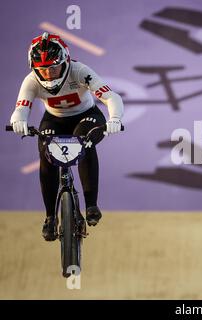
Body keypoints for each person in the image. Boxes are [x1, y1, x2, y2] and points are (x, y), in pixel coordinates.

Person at [9, 32, 124, 241]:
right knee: (46, 154)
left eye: (54, 67)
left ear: (66, 61)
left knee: (84, 142)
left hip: (87, 116)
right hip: (54, 120)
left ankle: (91, 206)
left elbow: (110, 96)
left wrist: (115, 118)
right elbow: (21, 108)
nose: (49, 74)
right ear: (34, 68)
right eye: (43, 69)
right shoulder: (31, 81)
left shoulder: (79, 71)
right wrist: (19, 120)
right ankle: (50, 217)